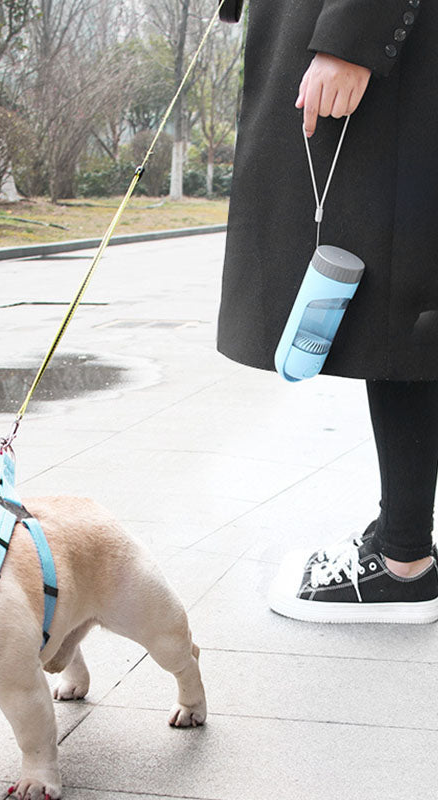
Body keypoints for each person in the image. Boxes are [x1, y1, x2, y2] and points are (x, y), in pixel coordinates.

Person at [217, 0, 438, 623]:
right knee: (406, 299)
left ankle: (404, 564)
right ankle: (403, 539)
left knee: (402, 302)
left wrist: (353, 37)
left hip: (379, 55)